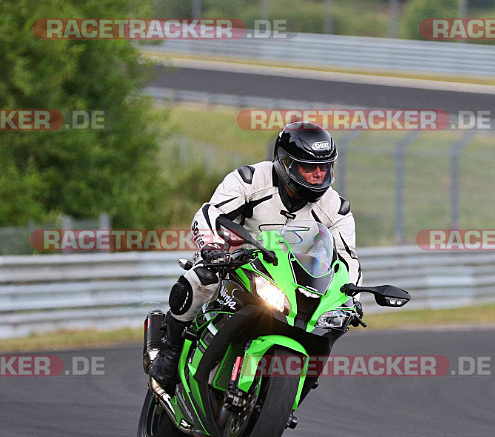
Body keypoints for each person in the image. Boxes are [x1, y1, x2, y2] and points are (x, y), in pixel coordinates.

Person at [150, 121, 362, 392]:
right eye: (309, 168)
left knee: (328, 325)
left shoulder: (337, 208)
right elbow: (210, 213)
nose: (318, 175)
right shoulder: (251, 180)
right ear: (286, 163)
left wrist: (350, 295)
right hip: (236, 263)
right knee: (201, 279)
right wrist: (212, 247)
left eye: (324, 167)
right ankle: (171, 350)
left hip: (292, 280)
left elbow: (347, 258)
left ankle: (296, 388)